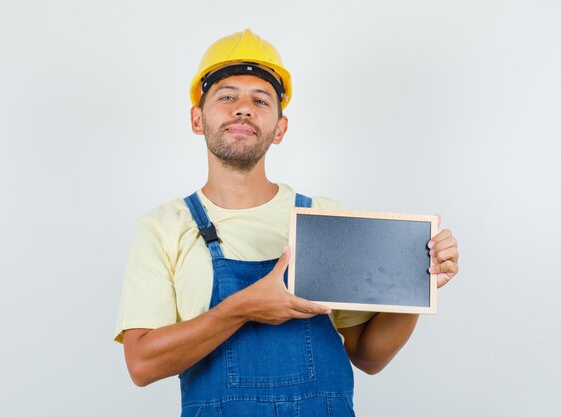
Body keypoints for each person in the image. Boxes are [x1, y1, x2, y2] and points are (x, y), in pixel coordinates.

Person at [114, 29, 459, 417]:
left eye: (260, 100)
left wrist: (412, 283)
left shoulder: (326, 219)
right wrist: (241, 308)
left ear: (280, 128)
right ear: (197, 119)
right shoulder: (164, 227)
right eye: (227, 96)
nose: (243, 108)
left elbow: (369, 356)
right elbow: (141, 364)